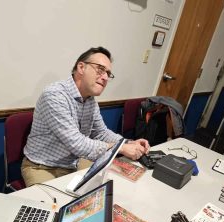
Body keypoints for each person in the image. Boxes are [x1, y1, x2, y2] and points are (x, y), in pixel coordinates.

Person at [22, 46, 150, 187]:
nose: (106, 77)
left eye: (108, 73)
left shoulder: (89, 100)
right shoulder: (54, 95)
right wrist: (119, 148)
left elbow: (101, 133)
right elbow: (77, 144)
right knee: (59, 206)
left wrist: (128, 143)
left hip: (73, 162)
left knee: (111, 186)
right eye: (100, 70)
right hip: (42, 166)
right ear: (81, 67)